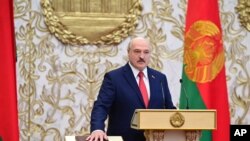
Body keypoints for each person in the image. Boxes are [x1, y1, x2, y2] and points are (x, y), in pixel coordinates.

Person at [87, 37, 176, 141]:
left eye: (146, 52)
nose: (142, 56)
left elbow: (169, 108)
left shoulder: (160, 78)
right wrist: (97, 129)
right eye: (137, 51)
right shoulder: (114, 78)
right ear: (128, 53)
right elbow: (101, 106)